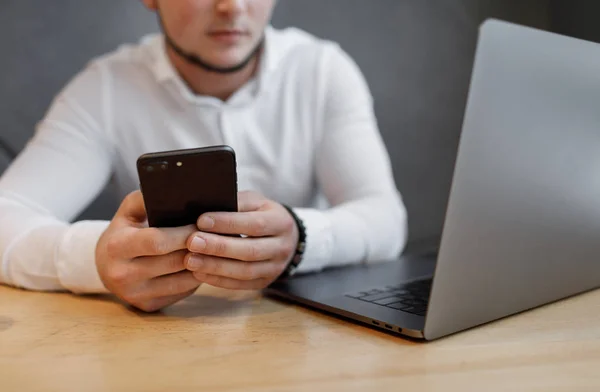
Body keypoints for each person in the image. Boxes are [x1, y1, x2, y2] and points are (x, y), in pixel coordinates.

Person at [0, 0, 407, 312]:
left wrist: (302, 238)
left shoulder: (322, 70)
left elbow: (385, 217)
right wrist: (98, 259)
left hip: (312, 333)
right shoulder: (105, 90)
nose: (232, 6)